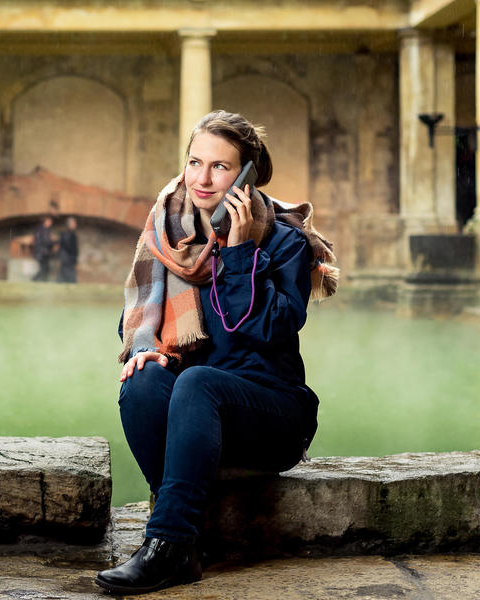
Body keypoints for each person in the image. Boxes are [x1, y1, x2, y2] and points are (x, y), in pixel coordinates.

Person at [94, 110, 338, 595]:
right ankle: (181, 535)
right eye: (194, 162)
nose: (203, 179)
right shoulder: (168, 237)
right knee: (142, 380)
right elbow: (136, 318)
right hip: (198, 413)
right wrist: (148, 350)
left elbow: (272, 328)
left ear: (247, 175)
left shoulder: (285, 243)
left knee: (196, 381)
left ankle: (168, 543)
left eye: (221, 167)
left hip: (272, 412)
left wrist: (241, 254)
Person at [32, 216, 55, 281]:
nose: (50, 223)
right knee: (44, 268)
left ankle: (36, 280)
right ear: (45, 221)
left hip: (45, 252)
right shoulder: (41, 230)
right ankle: (38, 280)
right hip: (41, 252)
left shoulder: (47, 230)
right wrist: (54, 241)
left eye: (51, 222)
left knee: (46, 268)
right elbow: (44, 241)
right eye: (49, 221)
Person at [57, 216, 79, 283]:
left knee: (63, 276)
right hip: (67, 258)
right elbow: (68, 247)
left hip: (68, 258)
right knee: (70, 277)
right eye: (74, 223)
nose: (75, 225)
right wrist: (73, 256)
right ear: (69, 224)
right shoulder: (67, 234)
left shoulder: (70, 234)